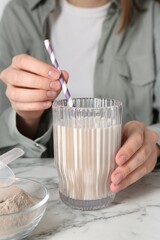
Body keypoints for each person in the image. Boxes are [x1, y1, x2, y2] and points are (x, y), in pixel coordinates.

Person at [0, 0, 160, 193]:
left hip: (129, 196)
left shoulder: (152, 16)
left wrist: (153, 144)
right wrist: (28, 117)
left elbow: (153, 140)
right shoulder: (18, 16)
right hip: (51, 196)